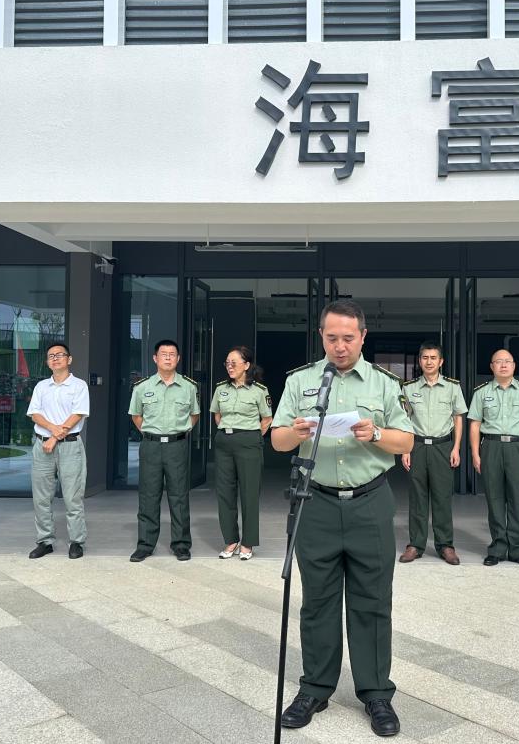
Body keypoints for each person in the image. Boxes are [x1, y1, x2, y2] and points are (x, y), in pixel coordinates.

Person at [271, 299, 413, 738]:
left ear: (363, 336)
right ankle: (315, 688)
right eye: (331, 337)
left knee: (373, 602)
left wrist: (376, 433)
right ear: (321, 336)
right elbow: (276, 440)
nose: (340, 346)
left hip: (370, 502)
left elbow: (406, 439)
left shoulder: (384, 384)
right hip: (316, 502)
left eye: (348, 338)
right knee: (318, 601)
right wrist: (294, 431)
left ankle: (376, 693)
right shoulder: (301, 381)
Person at [467, 350, 519, 568]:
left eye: (507, 362)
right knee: (494, 499)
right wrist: (475, 453)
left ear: (514, 365)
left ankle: (517, 548)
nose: (503, 365)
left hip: (518, 447)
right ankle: (498, 548)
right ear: (491, 367)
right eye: (498, 362)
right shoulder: (481, 392)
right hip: (491, 446)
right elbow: (474, 424)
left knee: (517, 498)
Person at [127, 339, 200, 562]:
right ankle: (145, 544)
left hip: (177, 446)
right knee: (148, 496)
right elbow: (136, 416)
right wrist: (151, 433)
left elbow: (194, 415)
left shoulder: (189, 387)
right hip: (151, 446)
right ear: (155, 358)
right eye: (163, 354)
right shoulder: (142, 387)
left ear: (178, 359)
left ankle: (181, 544)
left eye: (172, 354)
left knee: (179, 496)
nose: (168, 357)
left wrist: (181, 432)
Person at [399, 342, 467, 565]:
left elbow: (458, 417)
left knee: (442, 498)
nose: (429, 362)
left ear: (441, 361)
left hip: (442, 446)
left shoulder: (452, 387)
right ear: (420, 361)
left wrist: (456, 448)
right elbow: (404, 420)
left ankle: (445, 545)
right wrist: (405, 449)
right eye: (425, 358)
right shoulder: (409, 388)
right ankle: (415, 545)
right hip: (417, 446)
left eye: (433, 358)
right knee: (417, 498)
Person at [26, 342, 90, 560]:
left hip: (70, 446)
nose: (55, 358)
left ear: (69, 359)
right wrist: (52, 430)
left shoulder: (79, 385)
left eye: (60, 355)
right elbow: (35, 414)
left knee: (73, 497)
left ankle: (76, 542)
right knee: (41, 498)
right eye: (51, 356)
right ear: (47, 362)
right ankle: (45, 541)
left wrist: (54, 437)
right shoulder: (41, 386)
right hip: (42, 446)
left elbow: (77, 414)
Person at [209, 346, 273, 561]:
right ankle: (231, 540)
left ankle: (247, 542)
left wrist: (250, 435)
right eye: (227, 363)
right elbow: (217, 415)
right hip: (224, 443)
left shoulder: (259, 390)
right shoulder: (220, 389)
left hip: (249, 443)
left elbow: (267, 419)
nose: (230, 366)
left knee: (249, 493)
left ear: (246, 365)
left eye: (234, 363)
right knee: (225, 493)